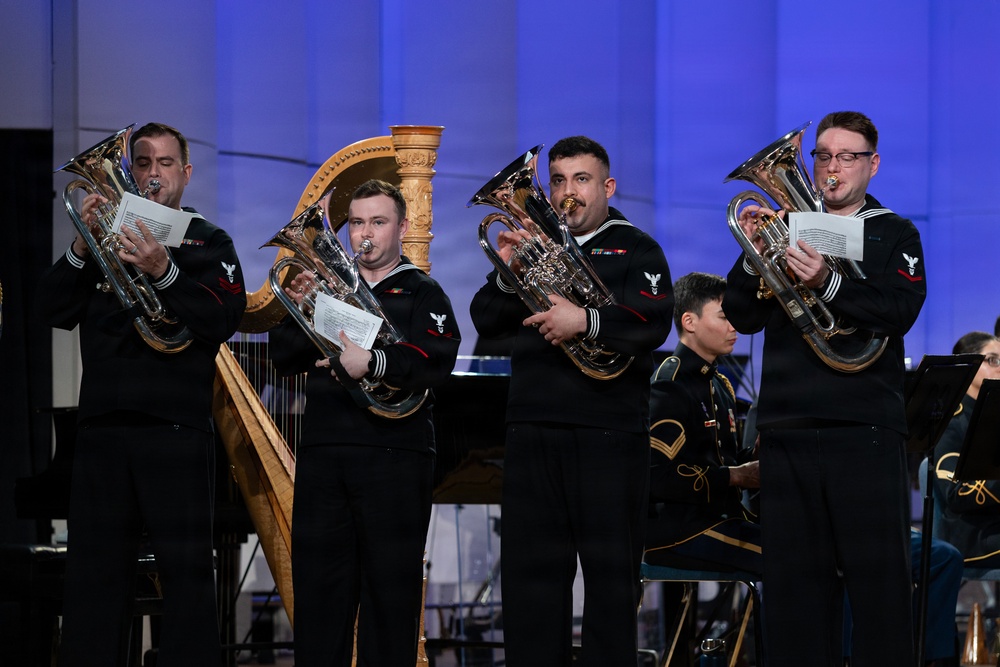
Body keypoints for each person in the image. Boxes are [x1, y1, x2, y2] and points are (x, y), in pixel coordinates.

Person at [36, 122, 246, 667]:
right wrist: (83, 248)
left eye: (166, 164)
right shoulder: (104, 236)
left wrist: (164, 270)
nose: (154, 175)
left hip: (175, 429)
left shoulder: (209, 241)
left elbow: (222, 318)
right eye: (143, 164)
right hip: (103, 428)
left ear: (186, 173)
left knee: (187, 576)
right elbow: (51, 311)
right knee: (93, 580)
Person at [723, 111, 926, 667]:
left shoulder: (894, 232)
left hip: (864, 431)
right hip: (788, 429)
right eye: (823, 156)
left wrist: (827, 281)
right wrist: (757, 251)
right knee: (793, 596)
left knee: (879, 590)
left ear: (872, 165)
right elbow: (740, 315)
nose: (832, 169)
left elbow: (898, 310)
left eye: (847, 157)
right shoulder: (787, 222)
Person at [470, 136, 674, 667]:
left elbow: (652, 323)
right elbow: (485, 320)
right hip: (533, 429)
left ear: (606, 187)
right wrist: (507, 270)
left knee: (610, 585)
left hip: (608, 434)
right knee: (531, 585)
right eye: (557, 180)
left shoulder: (637, 248)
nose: (568, 193)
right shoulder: (534, 245)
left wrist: (584, 320)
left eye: (581, 180)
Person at [269, 179, 461, 667]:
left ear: (401, 227)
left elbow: (436, 360)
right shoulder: (327, 286)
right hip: (326, 457)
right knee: (320, 600)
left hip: (395, 458)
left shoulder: (424, 291)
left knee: (389, 603)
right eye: (356, 223)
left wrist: (372, 362)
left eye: (378, 222)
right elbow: (282, 357)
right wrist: (300, 309)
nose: (365, 234)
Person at [645, 272, 761, 574]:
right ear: (689, 322)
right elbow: (656, 477)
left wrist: (760, 454)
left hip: (722, 520)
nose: (734, 326)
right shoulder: (670, 384)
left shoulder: (721, 384)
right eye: (724, 317)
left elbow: (725, 461)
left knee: (815, 545)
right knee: (797, 559)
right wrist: (735, 477)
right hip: (678, 530)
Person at [933, 332, 1000, 566]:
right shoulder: (951, 421)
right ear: (968, 364)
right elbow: (955, 494)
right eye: (993, 360)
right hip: (973, 535)